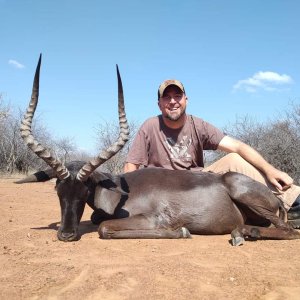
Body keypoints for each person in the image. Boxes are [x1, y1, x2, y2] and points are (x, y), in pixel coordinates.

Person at [124, 79, 300, 228]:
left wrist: (271, 170)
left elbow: (237, 146)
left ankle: (293, 202)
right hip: (163, 192)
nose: (172, 101)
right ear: (159, 104)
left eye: (177, 96)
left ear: (186, 100)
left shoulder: (198, 125)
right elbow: (131, 166)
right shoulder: (150, 126)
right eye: (167, 97)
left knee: (234, 158)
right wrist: (127, 201)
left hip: (196, 183)